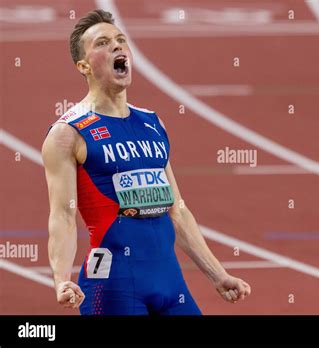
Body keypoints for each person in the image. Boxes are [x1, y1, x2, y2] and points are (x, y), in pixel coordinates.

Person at [41, 9, 251, 315]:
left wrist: (217, 274)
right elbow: (62, 216)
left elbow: (177, 211)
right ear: (83, 65)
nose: (117, 47)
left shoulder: (152, 124)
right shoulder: (68, 133)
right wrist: (61, 280)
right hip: (113, 286)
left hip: (170, 284)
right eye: (102, 43)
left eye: (120, 40)